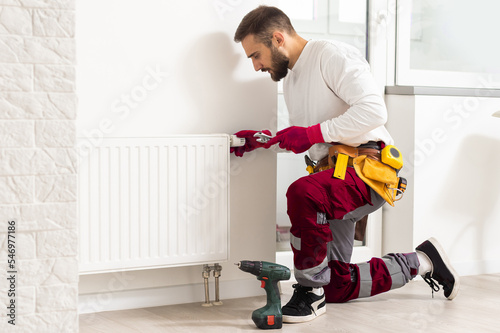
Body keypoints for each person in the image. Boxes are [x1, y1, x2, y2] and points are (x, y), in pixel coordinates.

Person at [232, 5, 459, 323]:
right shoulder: (294, 81)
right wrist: (263, 140)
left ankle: (309, 292)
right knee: (336, 285)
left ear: (278, 38)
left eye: (256, 55)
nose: (256, 66)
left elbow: (373, 111)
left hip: (367, 170)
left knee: (303, 193)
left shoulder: (331, 55)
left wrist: (311, 132)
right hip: (332, 176)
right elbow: (316, 137)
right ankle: (423, 260)